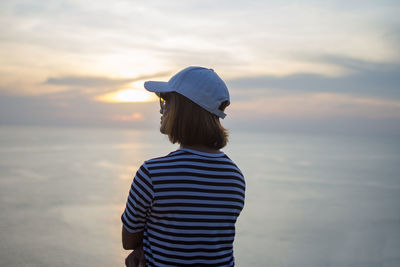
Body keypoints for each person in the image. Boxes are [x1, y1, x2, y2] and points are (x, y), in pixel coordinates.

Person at [121, 66, 246, 267]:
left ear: (183, 110)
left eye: (166, 100)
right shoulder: (234, 177)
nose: (161, 109)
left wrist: (144, 247)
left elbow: (129, 241)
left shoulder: (153, 174)